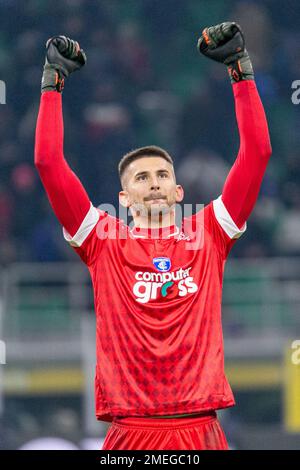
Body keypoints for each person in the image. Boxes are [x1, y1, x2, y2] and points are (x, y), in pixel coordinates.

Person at [34, 23, 271, 450]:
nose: (155, 182)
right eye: (142, 177)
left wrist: (240, 71)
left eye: (163, 174)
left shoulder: (210, 232)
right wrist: (53, 86)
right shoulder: (101, 240)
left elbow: (256, 154)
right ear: (124, 198)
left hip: (201, 430)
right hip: (130, 434)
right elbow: (49, 163)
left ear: (179, 191)